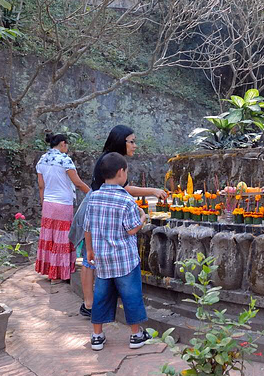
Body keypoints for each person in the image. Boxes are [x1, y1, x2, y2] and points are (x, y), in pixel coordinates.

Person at [74, 125, 167, 318]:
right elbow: (125, 189)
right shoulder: (112, 162)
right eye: (131, 141)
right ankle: (89, 304)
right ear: (120, 141)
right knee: (89, 258)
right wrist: (153, 191)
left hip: (96, 207)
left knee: (91, 257)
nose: (135, 145)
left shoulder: (110, 159)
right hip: (96, 209)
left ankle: (91, 304)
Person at [83, 152, 150, 350]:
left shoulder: (93, 198)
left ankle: (97, 335)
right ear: (121, 172)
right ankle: (136, 334)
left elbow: (88, 227)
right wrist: (143, 219)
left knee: (101, 295)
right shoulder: (127, 201)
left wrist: (90, 251)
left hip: (102, 259)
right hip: (125, 260)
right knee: (131, 295)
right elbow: (131, 229)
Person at [35, 133, 90, 282]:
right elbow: (77, 182)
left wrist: (43, 202)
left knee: (49, 237)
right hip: (63, 204)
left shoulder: (42, 160)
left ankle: (49, 271)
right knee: (62, 239)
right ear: (63, 144)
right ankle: (59, 273)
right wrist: (92, 194)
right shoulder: (65, 160)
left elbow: (41, 186)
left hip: (48, 203)